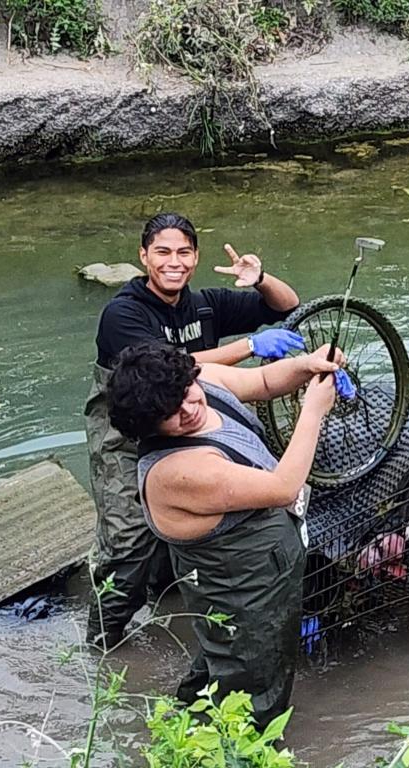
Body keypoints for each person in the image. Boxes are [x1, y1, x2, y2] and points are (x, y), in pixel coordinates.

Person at [85, 212, 304, 648]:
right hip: (127, 435)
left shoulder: (203, 304)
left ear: (196, 257)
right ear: (143, 256)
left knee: (187, 531)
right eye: (163, 252)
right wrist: (250, 346)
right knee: (128, 541)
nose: (174, 262)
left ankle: (168, 603)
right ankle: (101, 642)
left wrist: (260, 278)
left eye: (184, 252)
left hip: (186, 424)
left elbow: (287, 305)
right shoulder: (122, 313)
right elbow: (169, 370)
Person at [106, 341, 347, 726]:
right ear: (147, 426)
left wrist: (307, 365)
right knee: (254, 696)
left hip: (267, 572)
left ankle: (183, 728)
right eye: (170, 414)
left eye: (186, 394)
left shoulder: (202, 384)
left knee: (223, 663)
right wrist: (313, 411)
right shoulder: (178, 472)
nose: (188, 410)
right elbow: (284, 486)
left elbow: (265, 380)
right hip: (241, 591)